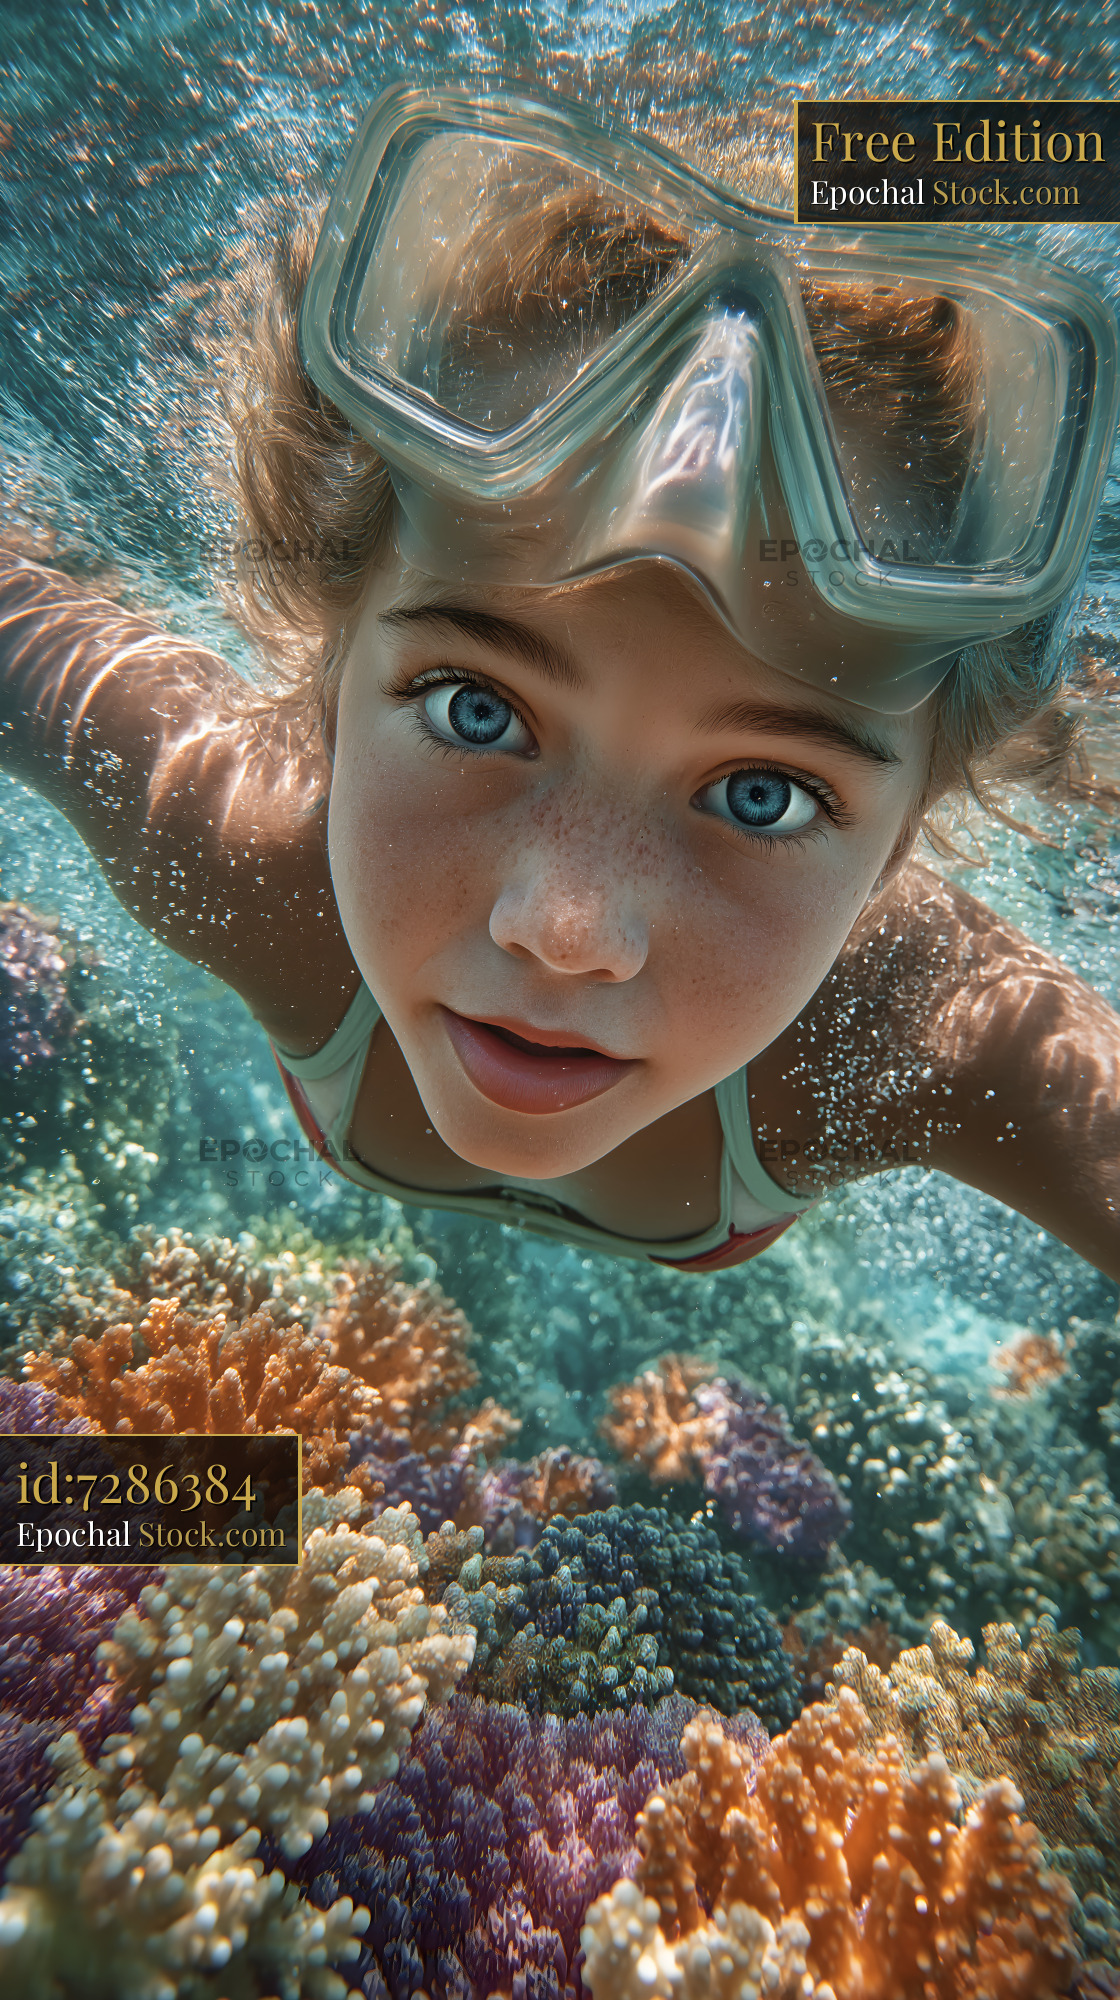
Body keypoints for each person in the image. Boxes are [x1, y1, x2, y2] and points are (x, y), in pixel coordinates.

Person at [2, 82, 1119, 1279]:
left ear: (897, 854)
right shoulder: (228, 835)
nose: (567, 932)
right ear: (327, 690)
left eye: (763, 794)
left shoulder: (916, 1035)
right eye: (474, 711)